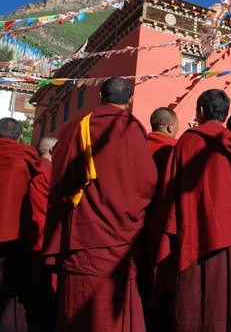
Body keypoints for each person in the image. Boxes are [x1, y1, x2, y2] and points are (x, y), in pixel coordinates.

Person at [43, 77, 158, 332]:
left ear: (100, 97)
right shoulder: (132, 129)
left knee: (78, 307)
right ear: (129, 101)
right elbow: (148, 182)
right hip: (121, 235)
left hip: (83, 234)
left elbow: (60, 180)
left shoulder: (78, 127)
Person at [154, 89, 231, 332]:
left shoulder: (186, 141)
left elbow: (170, 189)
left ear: (200, 111)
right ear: (225, 113)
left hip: (193, 227)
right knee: (225, 295)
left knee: (191, 291)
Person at [0, 117, 40, 332]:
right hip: (14, 232)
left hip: (13, 232)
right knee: (12, 289)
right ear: (18, 136)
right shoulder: (24, 158)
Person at [144, 107, 179, 332]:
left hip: (138, 226)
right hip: (168, 224)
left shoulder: (138, 149)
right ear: (169, 127)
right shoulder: (177, 150)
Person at [27, 137, 58, 332]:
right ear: (53, 152)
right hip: (45, 234)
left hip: (27, 234)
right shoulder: (48, 172)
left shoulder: (29, 167)